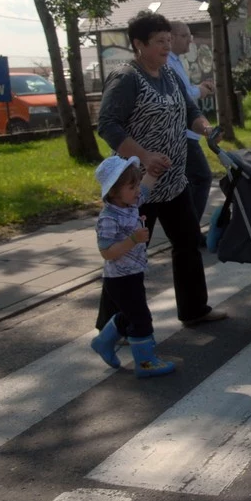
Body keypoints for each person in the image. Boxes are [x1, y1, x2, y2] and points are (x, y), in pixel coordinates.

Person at [96, 11, 227, 330]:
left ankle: (194, 309)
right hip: (135, 189)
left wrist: (207, 129)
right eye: (159, 42)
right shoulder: (126, 77)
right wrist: (142, 155)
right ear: (138, 44)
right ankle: (113, 326)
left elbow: (191, 111)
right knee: (126, 257)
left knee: (187, 243)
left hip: (173, 182)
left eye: (169, 40)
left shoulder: (169, 73)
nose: (167, 47)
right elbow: (107, 125)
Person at [91, 155, 175, 378]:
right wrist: (133, 240)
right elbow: (106, 252)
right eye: (132, 186)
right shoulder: (108, 218)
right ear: (114, 192)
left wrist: (153, 174)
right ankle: (145, 362)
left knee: (130, 314)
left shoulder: (130, 203)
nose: (138, 190)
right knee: (141, 318)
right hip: (119, 278)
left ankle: (103, 342)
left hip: (133, 273)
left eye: (136, 184)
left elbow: (146, 190)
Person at [167, 21, 215, 245]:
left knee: (188, 181)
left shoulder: (177, 61)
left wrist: (198, 87)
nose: (190, 40)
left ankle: (187, 229)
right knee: (202, 177)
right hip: (182, 133)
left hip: (188, 131)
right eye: (185, 36)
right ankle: (189, 231)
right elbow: (183, 95)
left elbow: (185, 93)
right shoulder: (168, 61)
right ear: (172, 37)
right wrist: (200, 90)